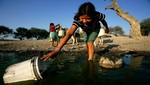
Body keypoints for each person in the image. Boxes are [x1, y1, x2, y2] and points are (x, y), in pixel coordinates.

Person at [41, 2, 109, 61]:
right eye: (82, 18)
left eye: (88, 19)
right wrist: (56, 50)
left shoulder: (97, 15)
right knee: (86, 42)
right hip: (85, 30)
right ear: (79, 16)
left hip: (95, 29)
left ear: (92, 15)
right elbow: (69, 33)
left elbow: (103, 21)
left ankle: (90, 60)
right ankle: (89, 53)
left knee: (90, 42)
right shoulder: (77, 19)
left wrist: (107, 28)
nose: (85, 21)